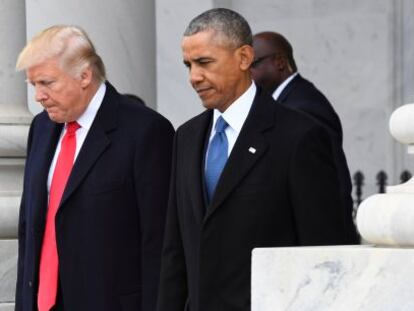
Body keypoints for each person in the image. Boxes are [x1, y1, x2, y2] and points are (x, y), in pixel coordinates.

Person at [157, 8, 358, 311]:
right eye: (188, 65)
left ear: (244, 57)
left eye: (204, 62)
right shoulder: (186, 137)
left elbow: (324, 253)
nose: (194, 77)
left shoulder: (299, 136)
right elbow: (175, 251)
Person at [15, 25, 174, 311]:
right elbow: (30, 227)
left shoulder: (146, 131)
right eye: (33, 85)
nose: (38, 96)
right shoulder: (41, 127)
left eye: (47, 83)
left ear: (84, 76)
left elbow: (158, 241)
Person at [251, 31, 359, 243]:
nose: (247, 75)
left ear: (279, 62)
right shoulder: (287, 101)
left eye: (252, 65)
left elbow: (325, 190)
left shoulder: (304, 107)